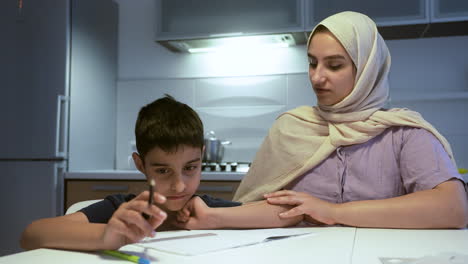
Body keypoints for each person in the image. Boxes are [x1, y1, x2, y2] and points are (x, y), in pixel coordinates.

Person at [232, 11, 468, 229]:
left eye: (334, 66)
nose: (317, 77)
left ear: (367, 70)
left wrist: (332, 212)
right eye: (312, 63)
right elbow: (257, 205)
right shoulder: (290, 127)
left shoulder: (404, 133)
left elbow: (454, 208)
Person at [20, 95, 301, 251]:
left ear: (202, 157)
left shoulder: (201, 208)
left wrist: (213, 217)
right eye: (163, 170)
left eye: (190, 168)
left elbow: (289, 214)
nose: (179, 184)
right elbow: (31, 235)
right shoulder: (124, 209)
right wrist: (108, 234)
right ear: (140, 165)